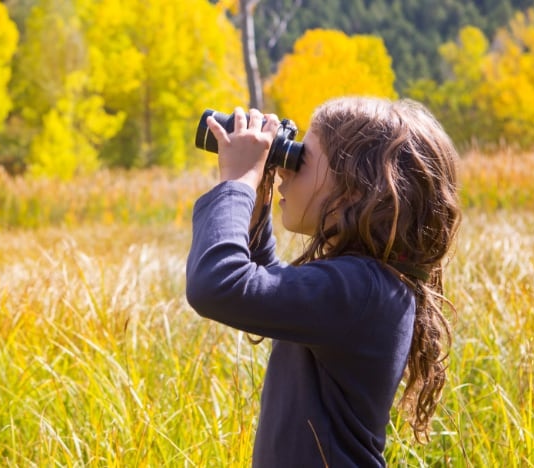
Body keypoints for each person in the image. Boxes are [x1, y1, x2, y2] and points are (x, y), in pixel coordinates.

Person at [185, 97, 462, 467]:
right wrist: (257, 194)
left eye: (301, 159)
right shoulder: (367, 286)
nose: (284, 171)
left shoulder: (361, 288)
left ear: (354, 190)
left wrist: (238, 181)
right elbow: (267, 286)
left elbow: (219, 285)